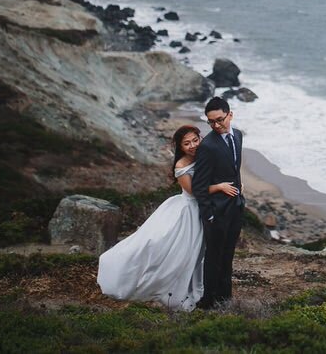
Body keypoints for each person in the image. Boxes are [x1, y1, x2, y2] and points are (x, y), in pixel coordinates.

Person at [96, 125, 237, 311]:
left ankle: (197, 288)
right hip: (188, 211)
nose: (193, 145)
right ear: (180, 147)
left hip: (204, 209)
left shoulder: (205, 154)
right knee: (172, 249)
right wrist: (219, 187)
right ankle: (160, 284)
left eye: (195, 140)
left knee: (198, 253)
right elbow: (194, 192)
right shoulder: (181, 165)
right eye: (187, 143)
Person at [192, 97, 245, 308]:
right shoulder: (207, 146)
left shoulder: (238, 136)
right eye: (211, 122)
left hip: (236, 207)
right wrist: (210, 215)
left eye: (220, 120)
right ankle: (207, 302)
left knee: (228, 255)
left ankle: (225, 298)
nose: (216, 125)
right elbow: (199, 186)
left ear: (230, 115)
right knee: (214, 257)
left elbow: (234, 168)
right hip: (216, 211)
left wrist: (240, 190)